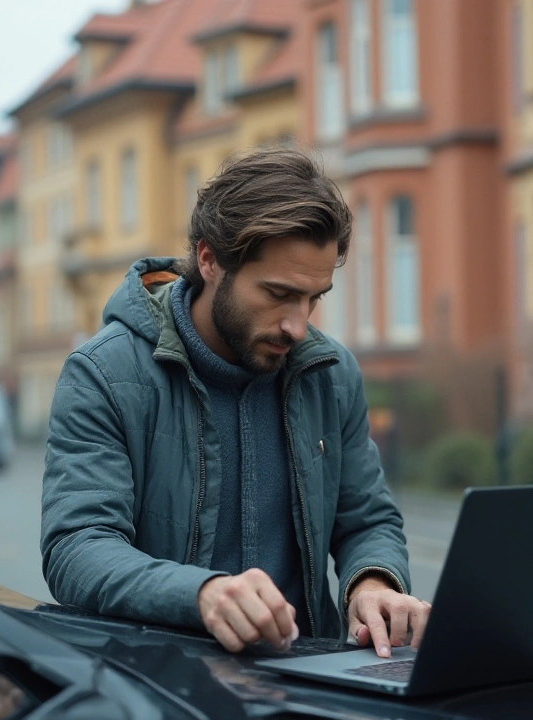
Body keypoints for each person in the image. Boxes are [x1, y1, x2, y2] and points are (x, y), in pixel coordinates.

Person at [40, 147, 429, 657]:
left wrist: (373, 584)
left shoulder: (332, 375)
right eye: (277, 293)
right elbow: (77, 548)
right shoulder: (105, 374)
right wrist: (201, 595)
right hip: (158, 683)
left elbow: (367, 520)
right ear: (209, 260)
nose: (298, 324)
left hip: (308, 687)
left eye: (313, 298)